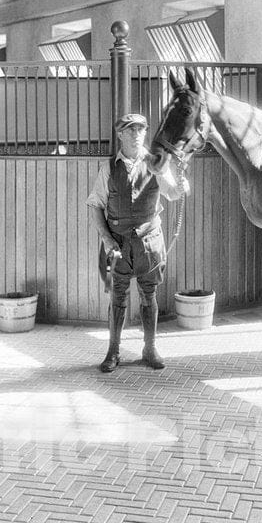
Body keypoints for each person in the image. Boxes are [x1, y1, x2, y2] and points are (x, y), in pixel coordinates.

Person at [86, 112, 188, 372]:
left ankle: (150, 348)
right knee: (118, 299)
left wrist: (181, 186)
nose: (136, 135)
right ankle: (113, 351)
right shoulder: (108, 167)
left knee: (148, 295)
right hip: (117, 245)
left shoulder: (155, 164)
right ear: (120, 134)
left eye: (140, 130)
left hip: (149, 245)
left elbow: (172, 193)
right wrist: (107, 238)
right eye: (130, 130)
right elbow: (95, 205)